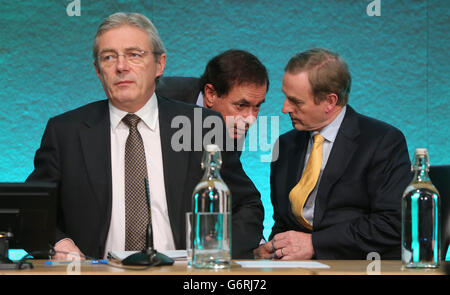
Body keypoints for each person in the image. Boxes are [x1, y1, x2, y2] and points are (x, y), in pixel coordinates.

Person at [26, 12, 263, 260]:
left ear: (159, 65)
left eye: (134, 55)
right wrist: (58, 244)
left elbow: (247, 206)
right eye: (109, 57)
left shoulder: (201, 125)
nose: (121, 66)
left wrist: (213, 254)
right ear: (98, 71)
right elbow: (31, 213)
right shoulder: (65, 132)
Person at [254, 48, 412, 260]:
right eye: (285, 97)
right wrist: (274, 248)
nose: (284, 108)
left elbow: (393, 223)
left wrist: (315, 244)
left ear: (330, 101)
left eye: (296, 101)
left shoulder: (382, 142)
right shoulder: (285, 145)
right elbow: (283, 223)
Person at [156, 49, 269, 142]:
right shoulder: (158, 96)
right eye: (241, 105)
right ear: (211, 94)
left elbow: (226, 167)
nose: (250, 119)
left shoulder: (236, 125)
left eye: (257, 106)